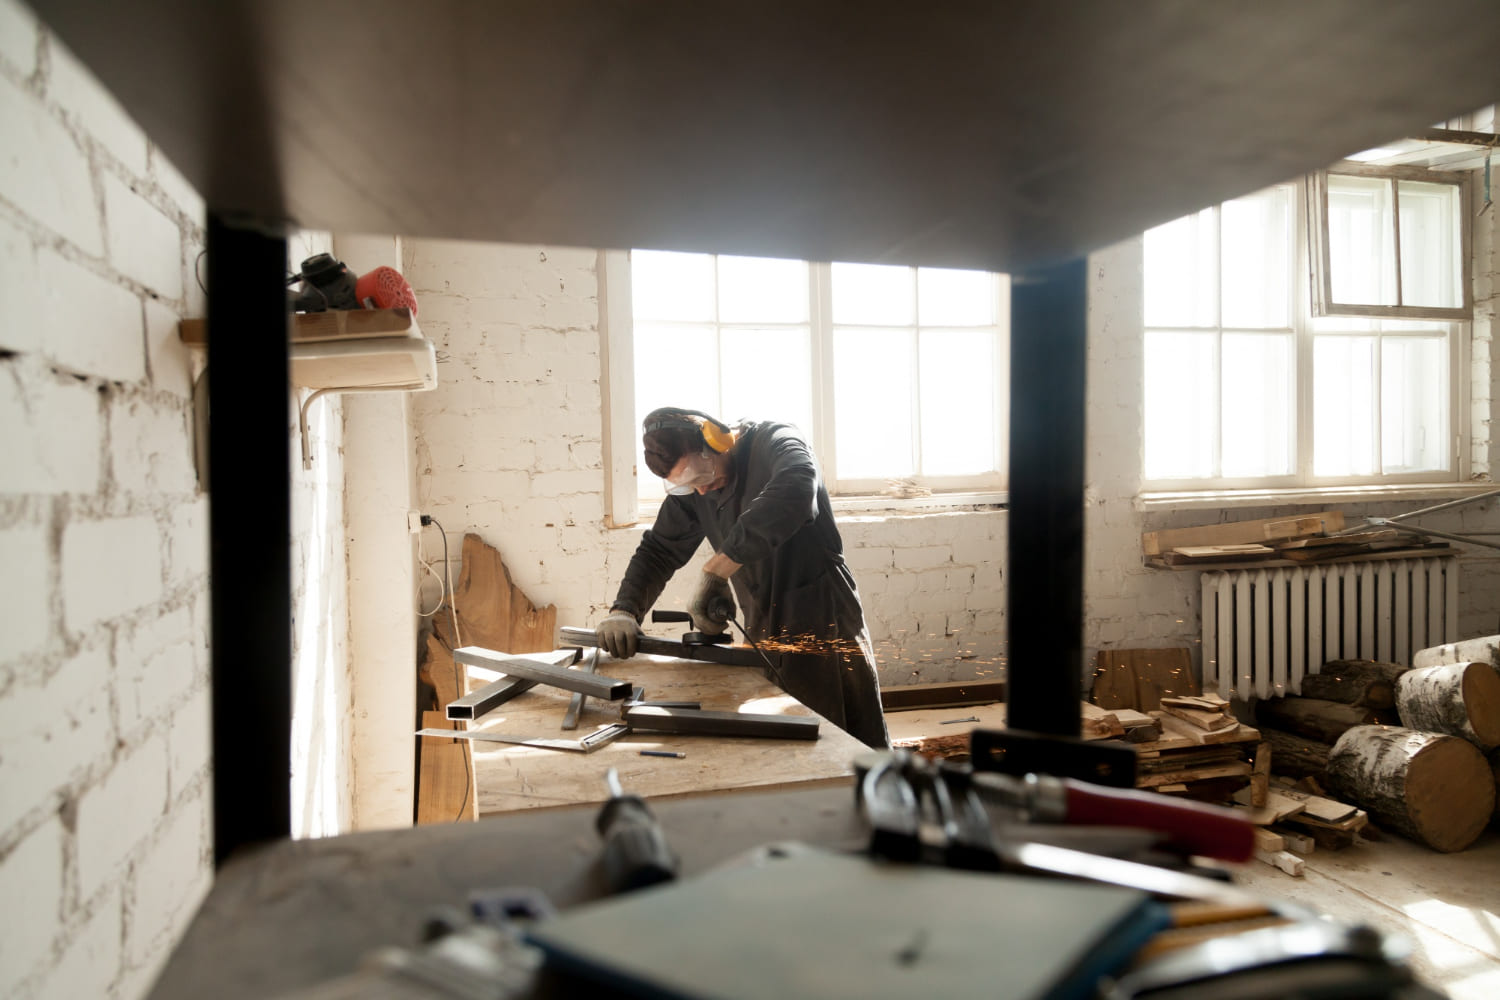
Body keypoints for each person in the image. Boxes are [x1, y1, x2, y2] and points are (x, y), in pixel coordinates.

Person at [596, 407, 890, 749]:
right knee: (790, 732)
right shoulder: (697, 488)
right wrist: (624, 610)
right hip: (762, 617)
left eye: (701, 476)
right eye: (689, 485)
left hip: (821, 609)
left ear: (716, 440)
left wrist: (715, 570)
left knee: (846, 733)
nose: (701, 491)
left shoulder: (776, 442)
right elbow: (660, 549)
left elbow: (796, 491)